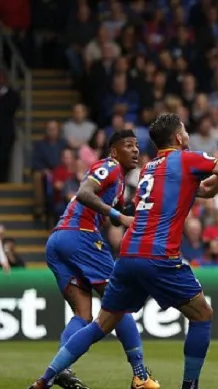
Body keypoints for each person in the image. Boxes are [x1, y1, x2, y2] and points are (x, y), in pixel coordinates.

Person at [28, 114, 218, 389]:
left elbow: (204, 190)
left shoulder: (149, 170)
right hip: (156, 254)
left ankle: (44, 380)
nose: (134, 150)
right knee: (202, 314)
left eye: (136, 145)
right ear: (179, 137)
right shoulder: (185, 159)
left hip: (127, 255)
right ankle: (180, 384)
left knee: (99, 323)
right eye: (185, 132)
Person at [39, 129, 156, 389]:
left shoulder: (121, 182)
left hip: (58, 241)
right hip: (80, 237)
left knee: (83, 313)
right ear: (114, 150)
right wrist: (119, 214)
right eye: (129, 145)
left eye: (137, 145)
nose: (135, 150)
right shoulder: (109, 166)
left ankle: (61, 369)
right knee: (118, 302)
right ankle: (140, 374)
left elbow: (117, 213)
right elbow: (84, 192)